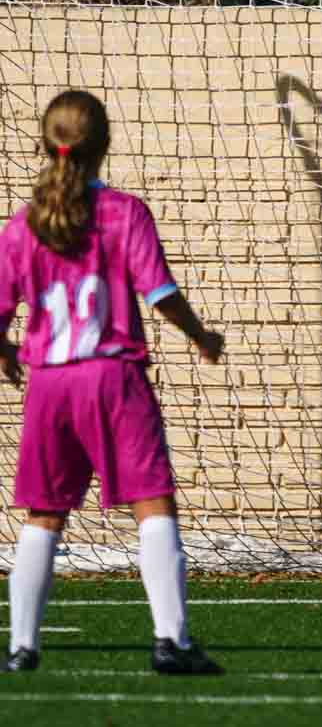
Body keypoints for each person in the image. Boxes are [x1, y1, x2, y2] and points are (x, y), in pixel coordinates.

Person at [1, 90, 224, 674]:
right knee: (153, 504)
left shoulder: (22, 226)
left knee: (44, 513)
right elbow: (159, 293)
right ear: (104, 144)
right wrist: (200, 335)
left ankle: (22, 648)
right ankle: (171, 641)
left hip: (50, 386)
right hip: (112, 376)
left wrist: (6, 352)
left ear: (46, 144)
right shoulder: (124, 213)